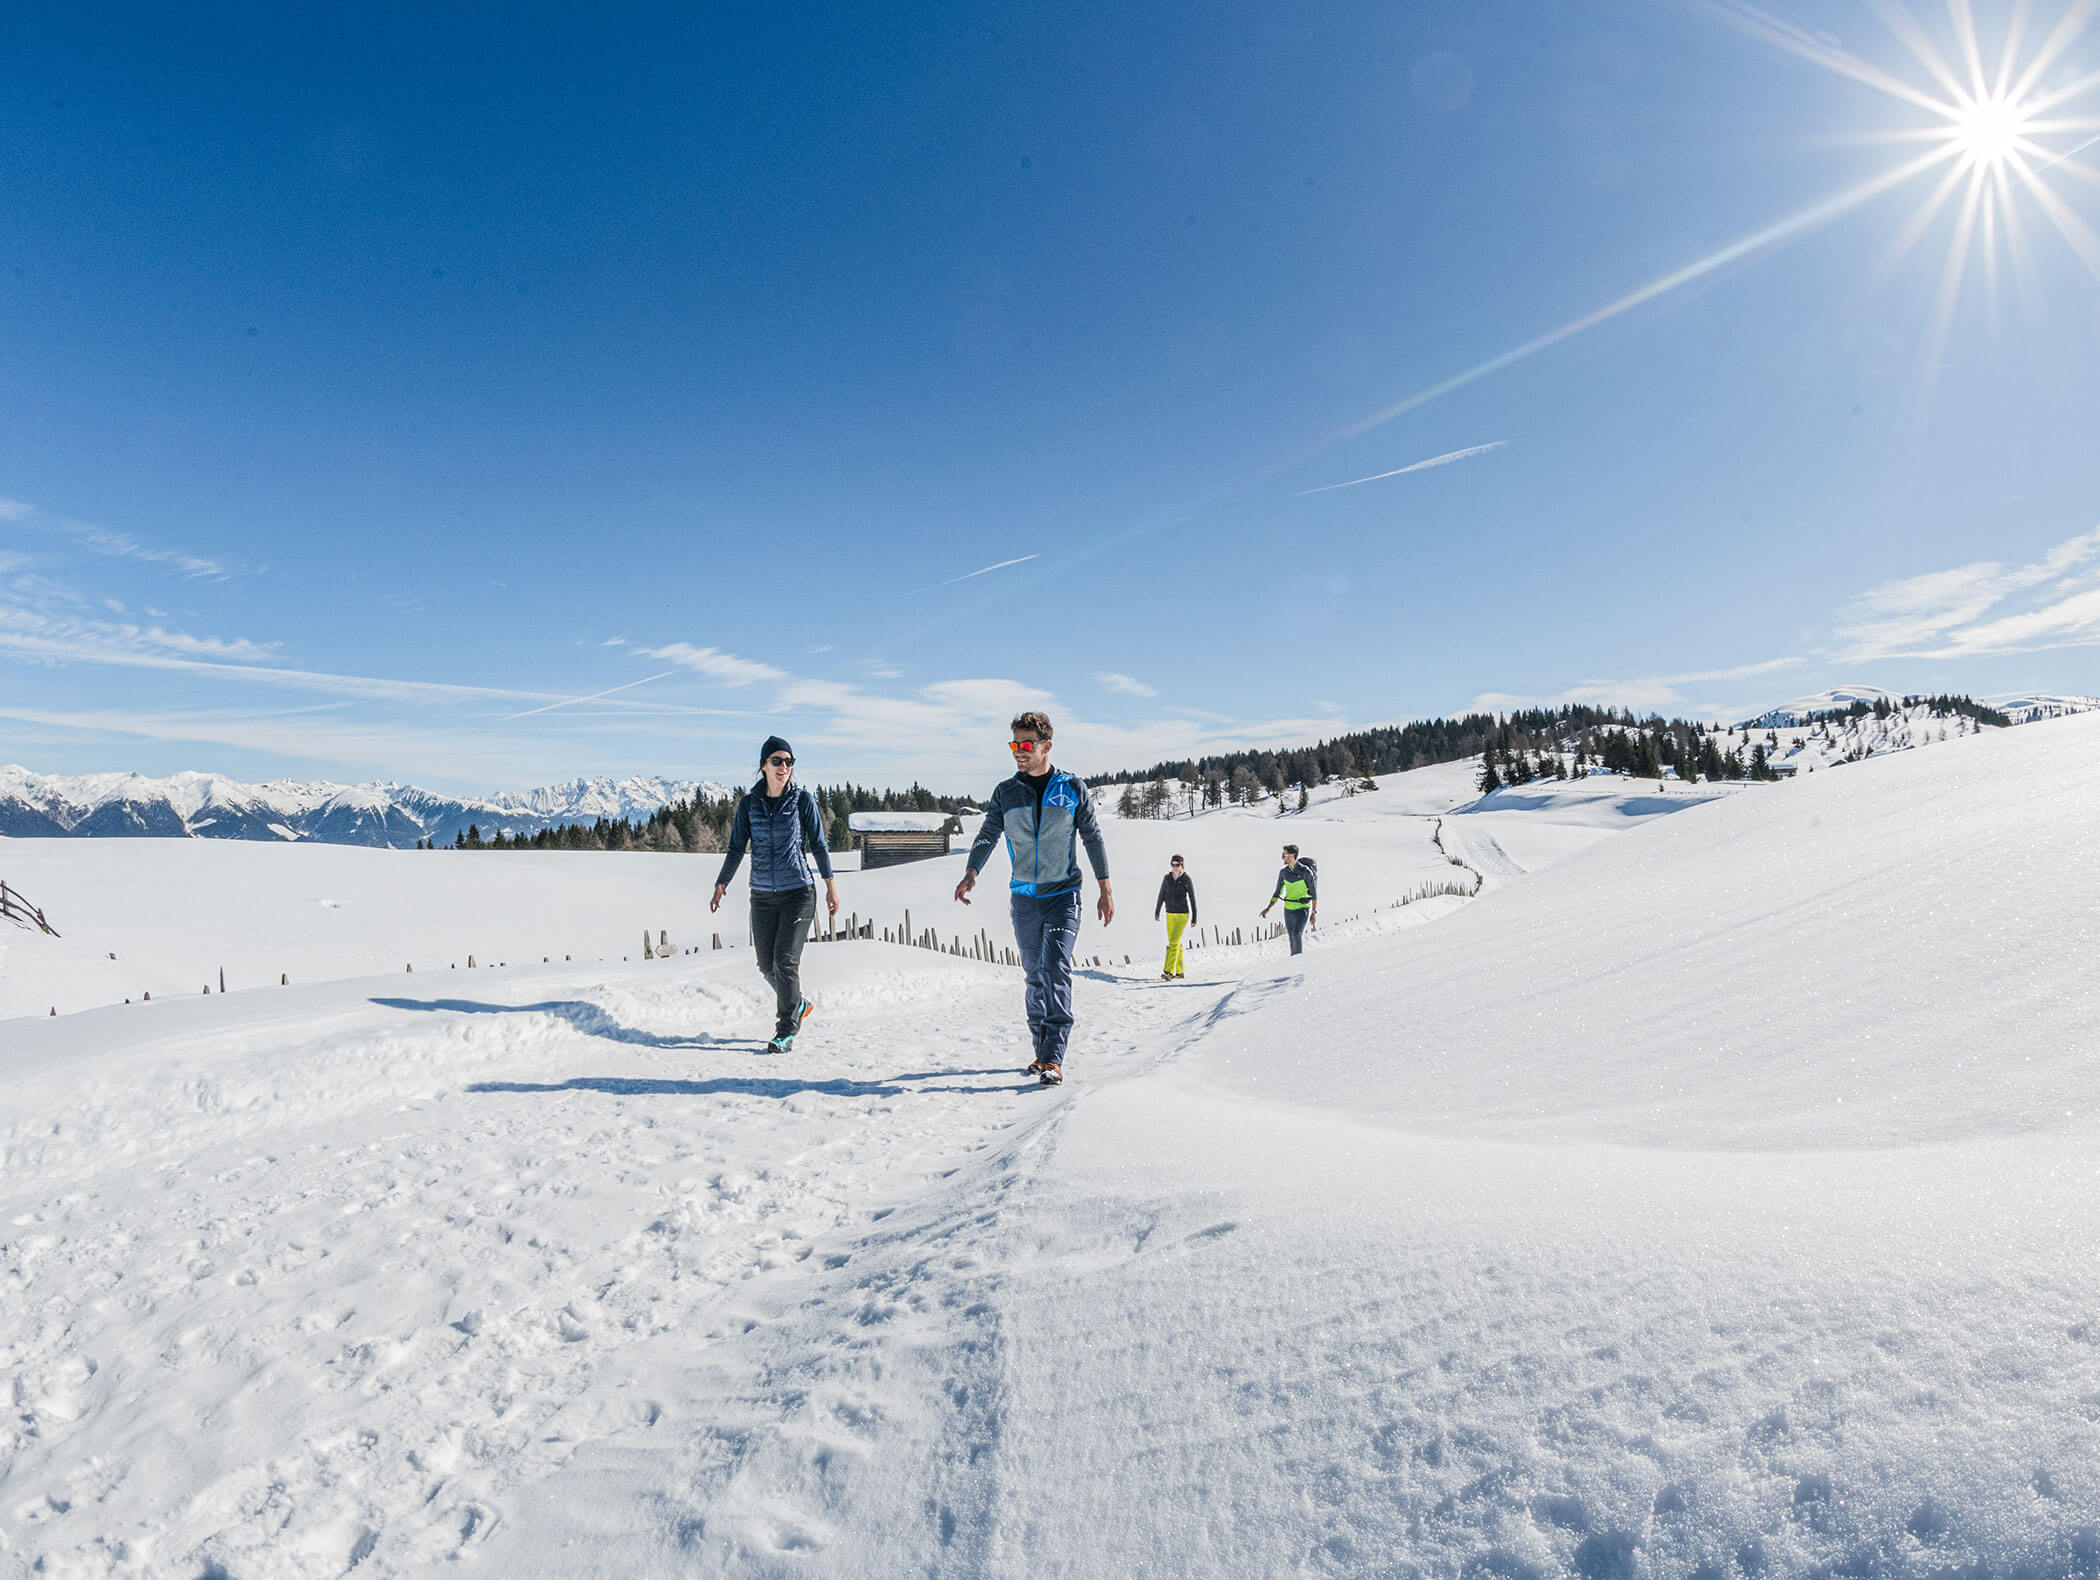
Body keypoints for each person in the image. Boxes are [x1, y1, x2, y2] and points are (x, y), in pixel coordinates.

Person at [954, 710, 1112, 1085]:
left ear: (1046, 746)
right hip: (1024, 897)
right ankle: (1041, 1052)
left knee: (1055, 966)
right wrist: (971, 872)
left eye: (1026, 745)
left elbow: (1092, 836)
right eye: (1014, 745)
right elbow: (988, 833)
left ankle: (1054, 1056)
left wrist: (1105, 888)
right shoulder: (1007, 792)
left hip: (1064, 893)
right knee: (1034, 975)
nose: (1018, 752)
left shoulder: (1071, 788)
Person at [711, 735, 839, 1053]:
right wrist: (721, 883)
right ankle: (797, 1003)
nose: (784, 767)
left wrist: (830, 887)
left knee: (785, 962)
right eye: (777, 761)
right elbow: (736, 847)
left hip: (799, 891)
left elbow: (819, 845)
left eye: (789, 762)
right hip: (763, 896)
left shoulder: (802, 800)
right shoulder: (749, 805)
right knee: (766, 966)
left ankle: (786, 1029)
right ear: (764, 766)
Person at [1260, 843, 1317, 956]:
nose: (1282, 857)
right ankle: (1293, 960)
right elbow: (1277, 892)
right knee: (1291, 936)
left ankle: (1298, 961)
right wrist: (1268, 908)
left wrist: (1313, 913)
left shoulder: (1305, 872)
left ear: (1292, 856)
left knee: (1297, 934)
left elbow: (1314, 894)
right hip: (1288, 910)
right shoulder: (1284, 872)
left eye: (1284, 855)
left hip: (1302, 908)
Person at [1154, 854, 1197, 980]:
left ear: (1181, 865)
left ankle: (1168, 971)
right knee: (1175, 942)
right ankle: (1180, 971)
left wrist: (1194, 917)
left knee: (1173, 942)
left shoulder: (1186, 879)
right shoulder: (1167, 878)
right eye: (1173, 865)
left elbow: (1192, 898)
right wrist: (1157, 911)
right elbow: (1161, 895)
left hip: (1182, 914)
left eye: (1177, 865)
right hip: (1169, 914)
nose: (1175, 867)